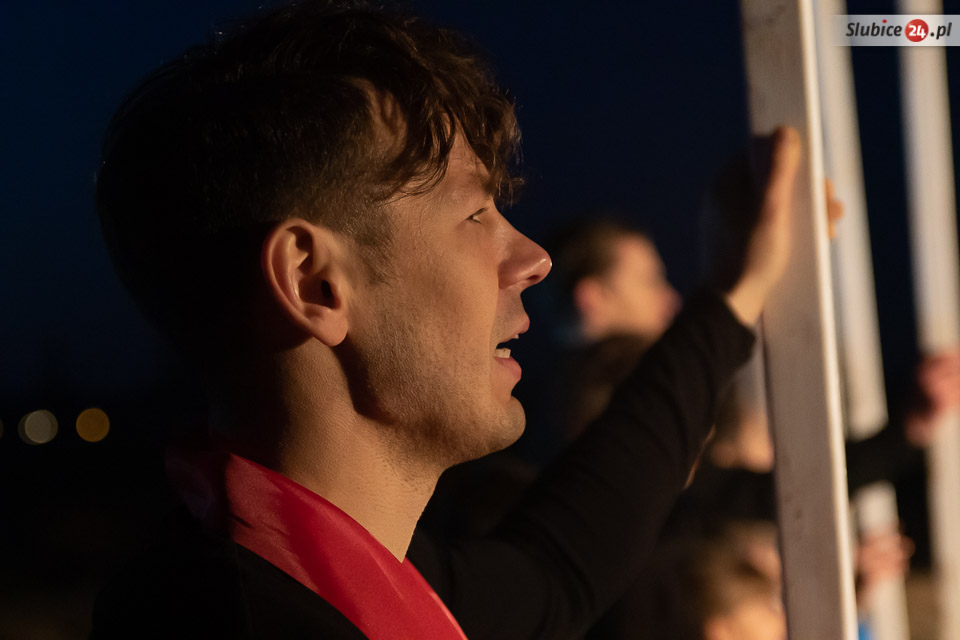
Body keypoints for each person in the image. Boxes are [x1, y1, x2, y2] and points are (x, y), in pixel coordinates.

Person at [89, 1, 800, 638]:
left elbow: (560, 564)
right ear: (314, 282)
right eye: (475, 213)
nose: (535, 259)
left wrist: (734, 292)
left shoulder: (339, 573)